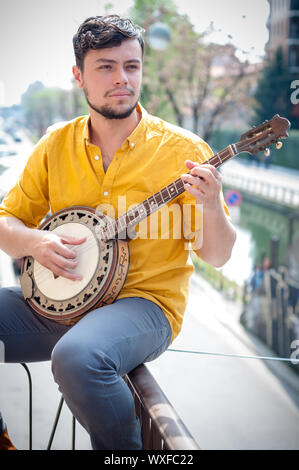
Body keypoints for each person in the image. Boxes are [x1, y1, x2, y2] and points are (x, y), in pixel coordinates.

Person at [0, 15, 236, 450]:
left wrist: (209, 204)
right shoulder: (54, 145)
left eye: (132, 66)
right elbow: (7, 223)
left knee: (77, 356)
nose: (122, 78)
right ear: (79, 76)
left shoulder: (185, 151)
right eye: (106, 67)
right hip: (61, 304)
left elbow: (218, 256)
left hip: (145, 307)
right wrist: (37, 242)